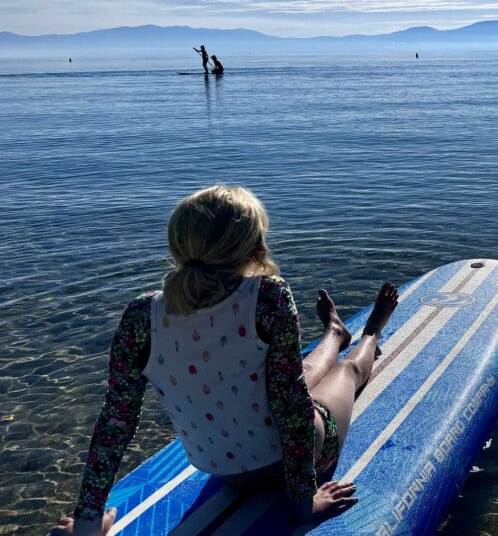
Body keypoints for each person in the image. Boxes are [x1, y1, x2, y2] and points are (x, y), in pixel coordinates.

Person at [51, 185, 399, 536]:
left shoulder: (141, 316)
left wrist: (86, 525)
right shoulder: (268, 297)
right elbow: (292, 410)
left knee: (293, 376)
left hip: (222, 469)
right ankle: (372, 331)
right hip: (295, 457)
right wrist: (303, 501)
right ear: (256, 249)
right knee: (345, 371)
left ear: (177, 246)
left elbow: (115, 424)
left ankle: (335, 333)